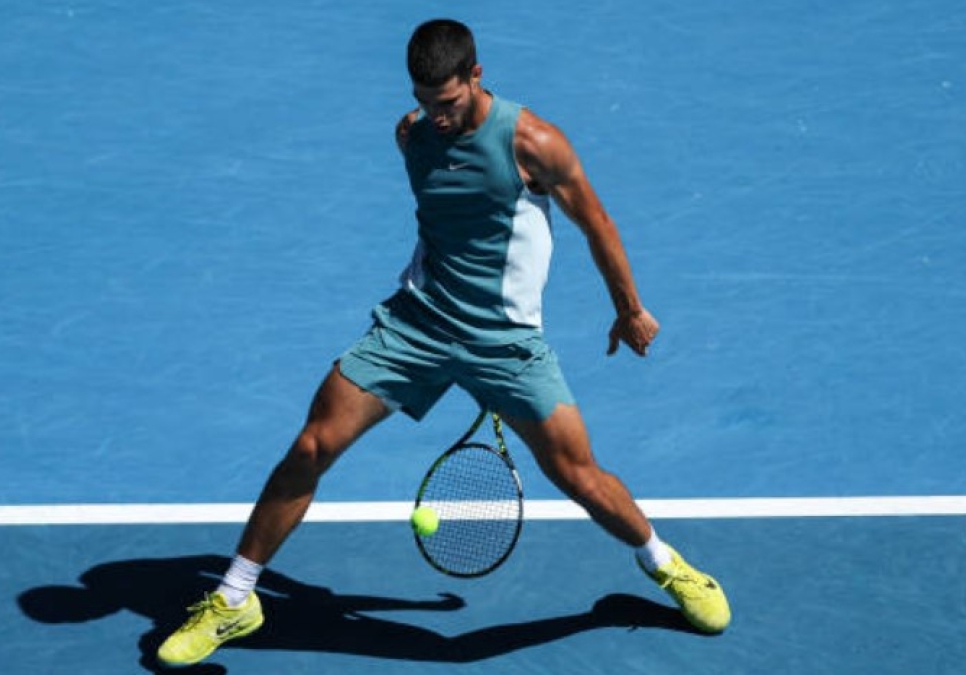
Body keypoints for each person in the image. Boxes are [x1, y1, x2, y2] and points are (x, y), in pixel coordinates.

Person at [157, 18, 731, 667]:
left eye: (449, 103)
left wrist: (628, 310)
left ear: (478, 77)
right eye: (425, 102)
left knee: (578, 475)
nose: (436, 117)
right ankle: (234, 598)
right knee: (313, 442)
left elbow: (594, 221)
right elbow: (446, 226)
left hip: (504, 340)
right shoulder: (412, 135)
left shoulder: (534, 142)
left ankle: (665, 564)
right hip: (417, 324)